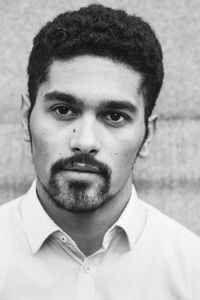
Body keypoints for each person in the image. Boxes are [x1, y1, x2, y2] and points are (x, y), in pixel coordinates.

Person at [1, 3, 200, 299]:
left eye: (115, 116)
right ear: (25, 118)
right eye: (63, 110)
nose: (85, 141)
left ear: (147, 136)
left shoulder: (191, 271)